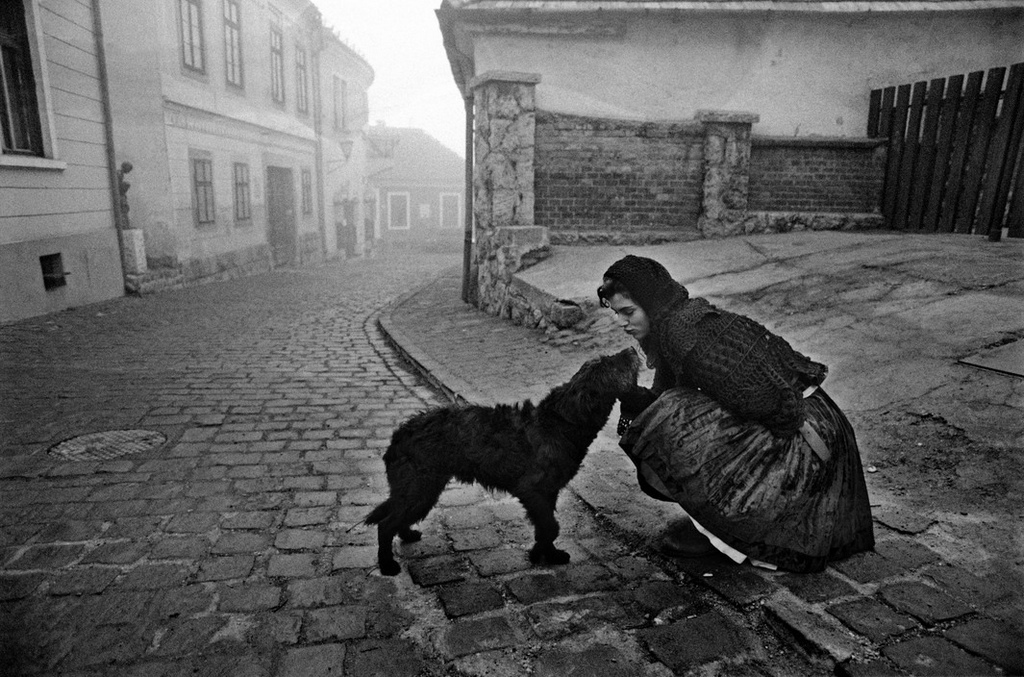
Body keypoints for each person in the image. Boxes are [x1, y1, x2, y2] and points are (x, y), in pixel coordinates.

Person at [598, 255, 874, 573]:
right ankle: (716, 528)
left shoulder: (685, 334)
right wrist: (628, 392)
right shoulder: (672, 329)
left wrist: (723, 436)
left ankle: (733, 532)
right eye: (617, 314)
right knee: (672, 415)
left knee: (677, 418)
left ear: (652, 303)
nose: (621, 322)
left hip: (810, 436)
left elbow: (780, 406)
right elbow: (661, 398)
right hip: (799, 424)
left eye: (628, 312)